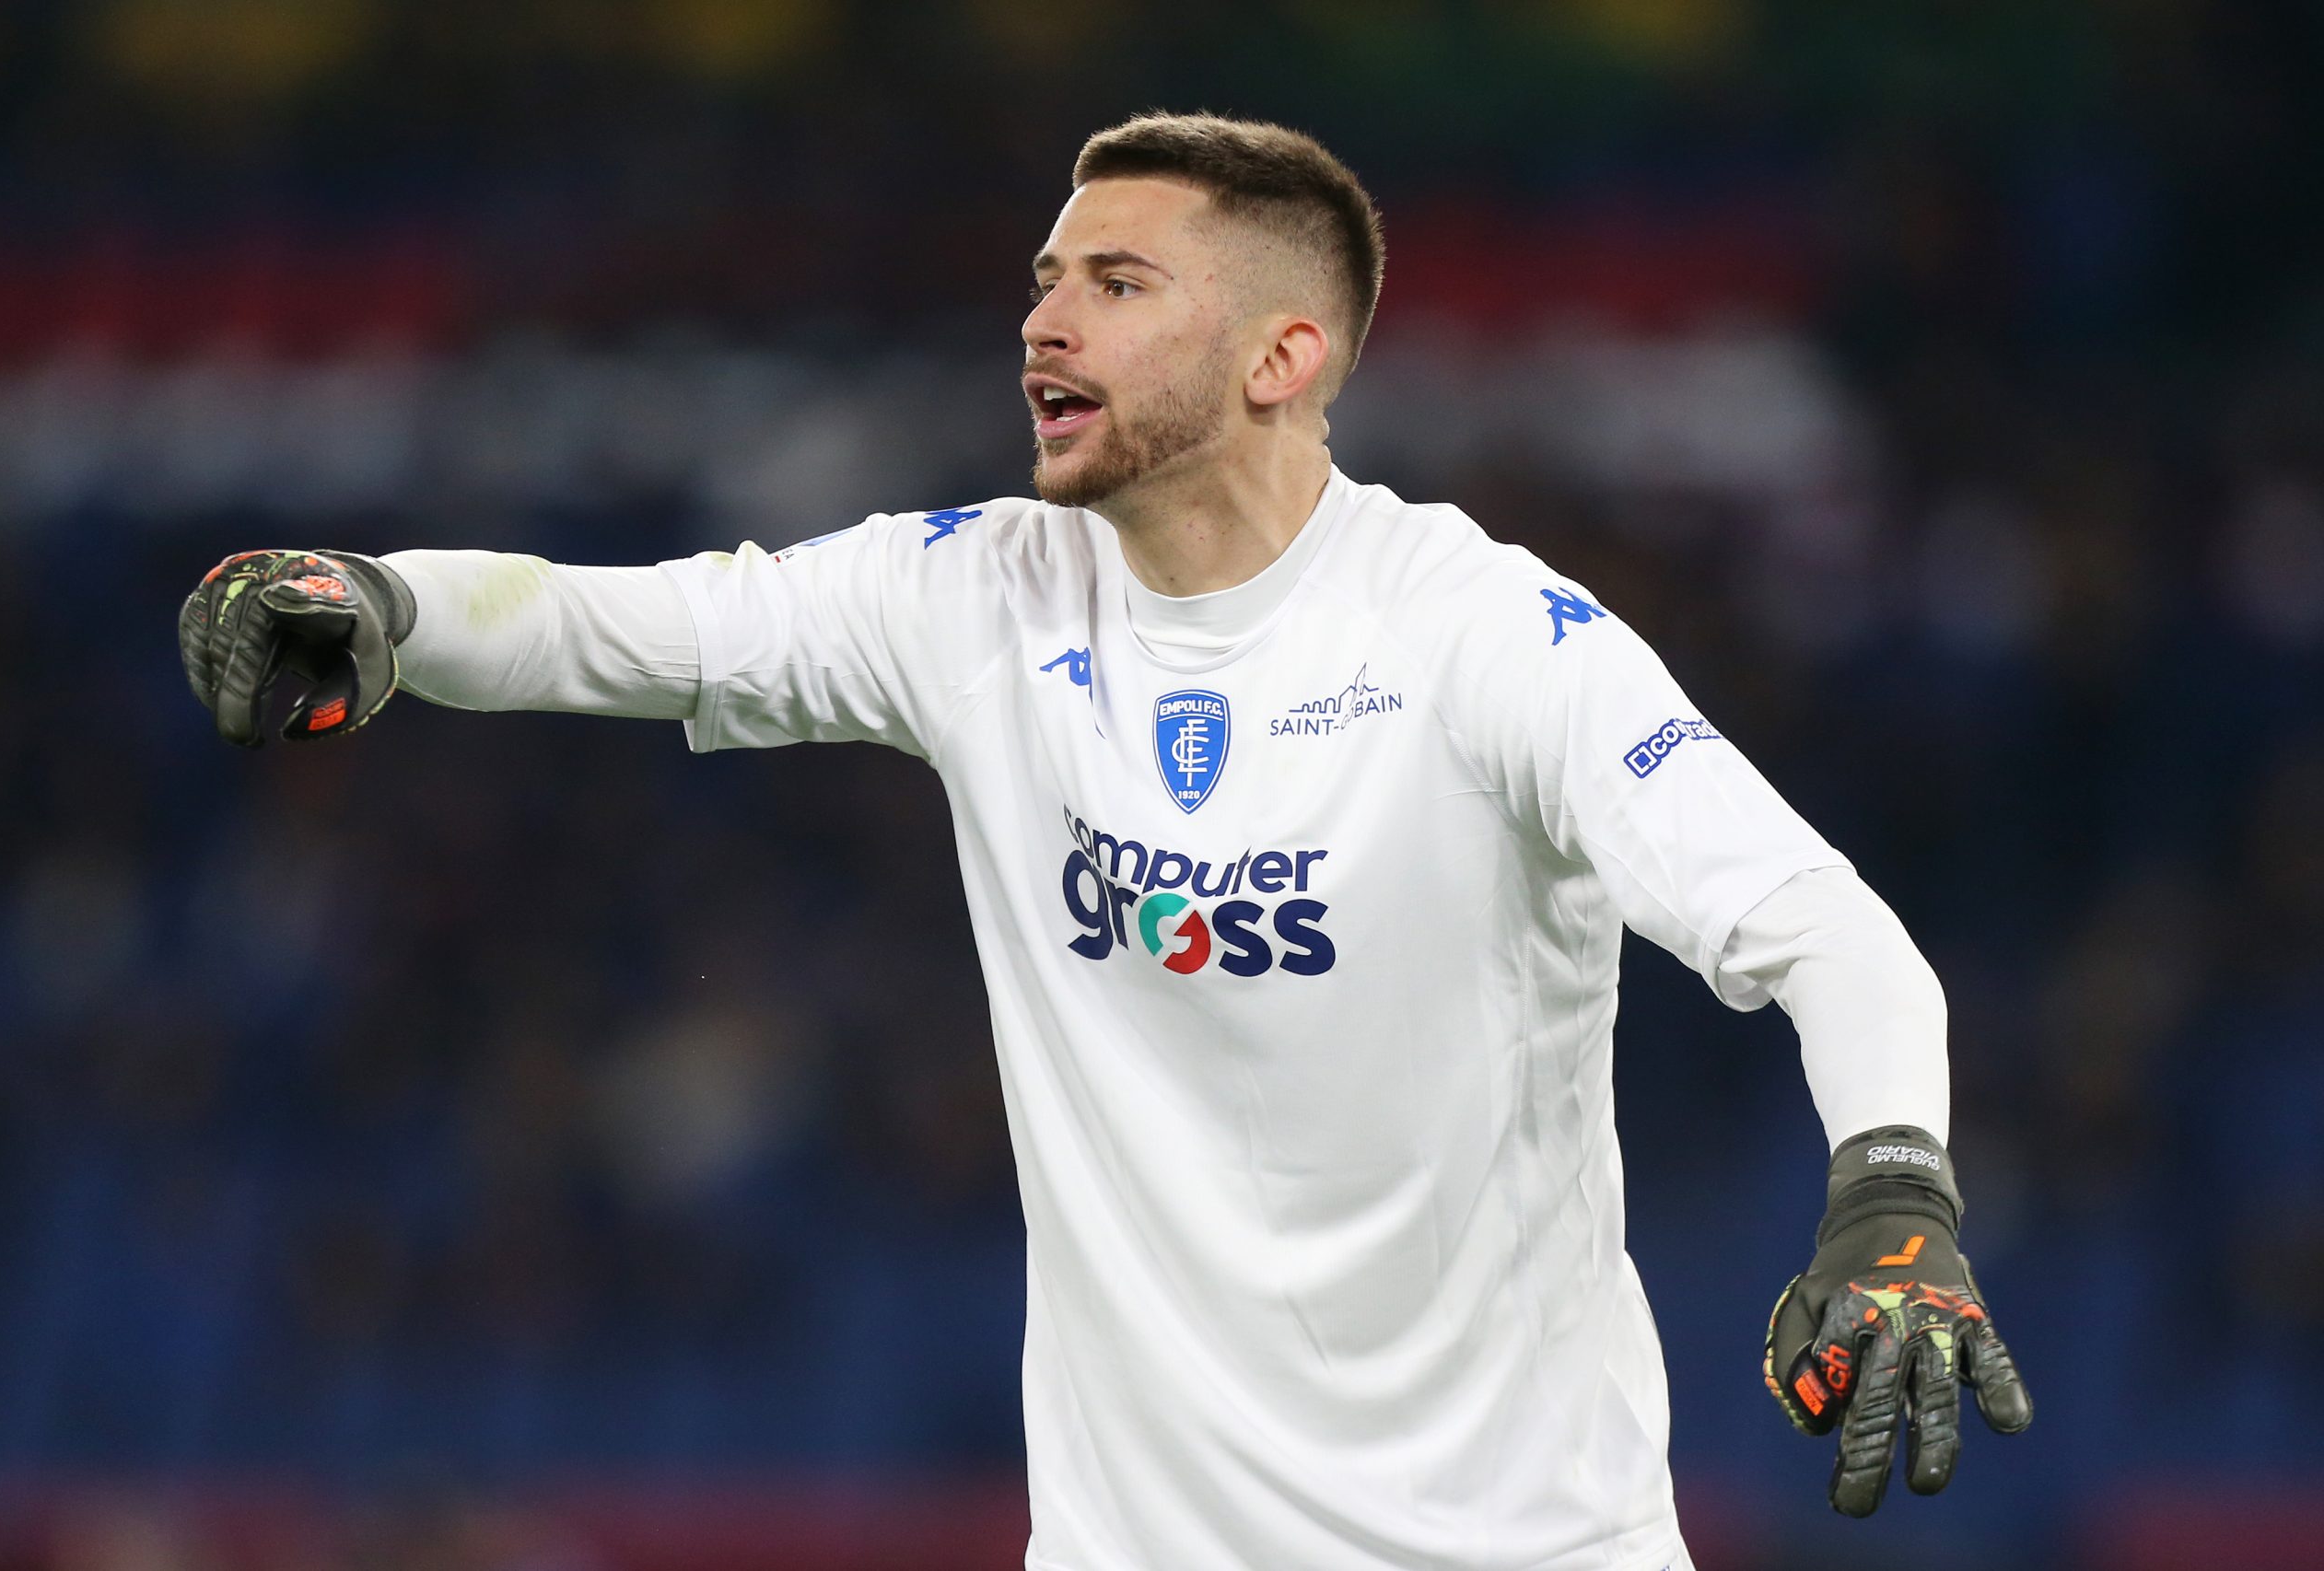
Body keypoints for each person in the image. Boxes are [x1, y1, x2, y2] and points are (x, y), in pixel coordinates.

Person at [177, 113, 2030, 1571]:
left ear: (1279, 353)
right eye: (1046, 277)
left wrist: (1890, 1193)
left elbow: (1820, 927)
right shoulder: (981, 596)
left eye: (1116, 284)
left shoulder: (1479, 632)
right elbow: (641, 625)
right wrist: (385, 601)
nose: (1041, 320)